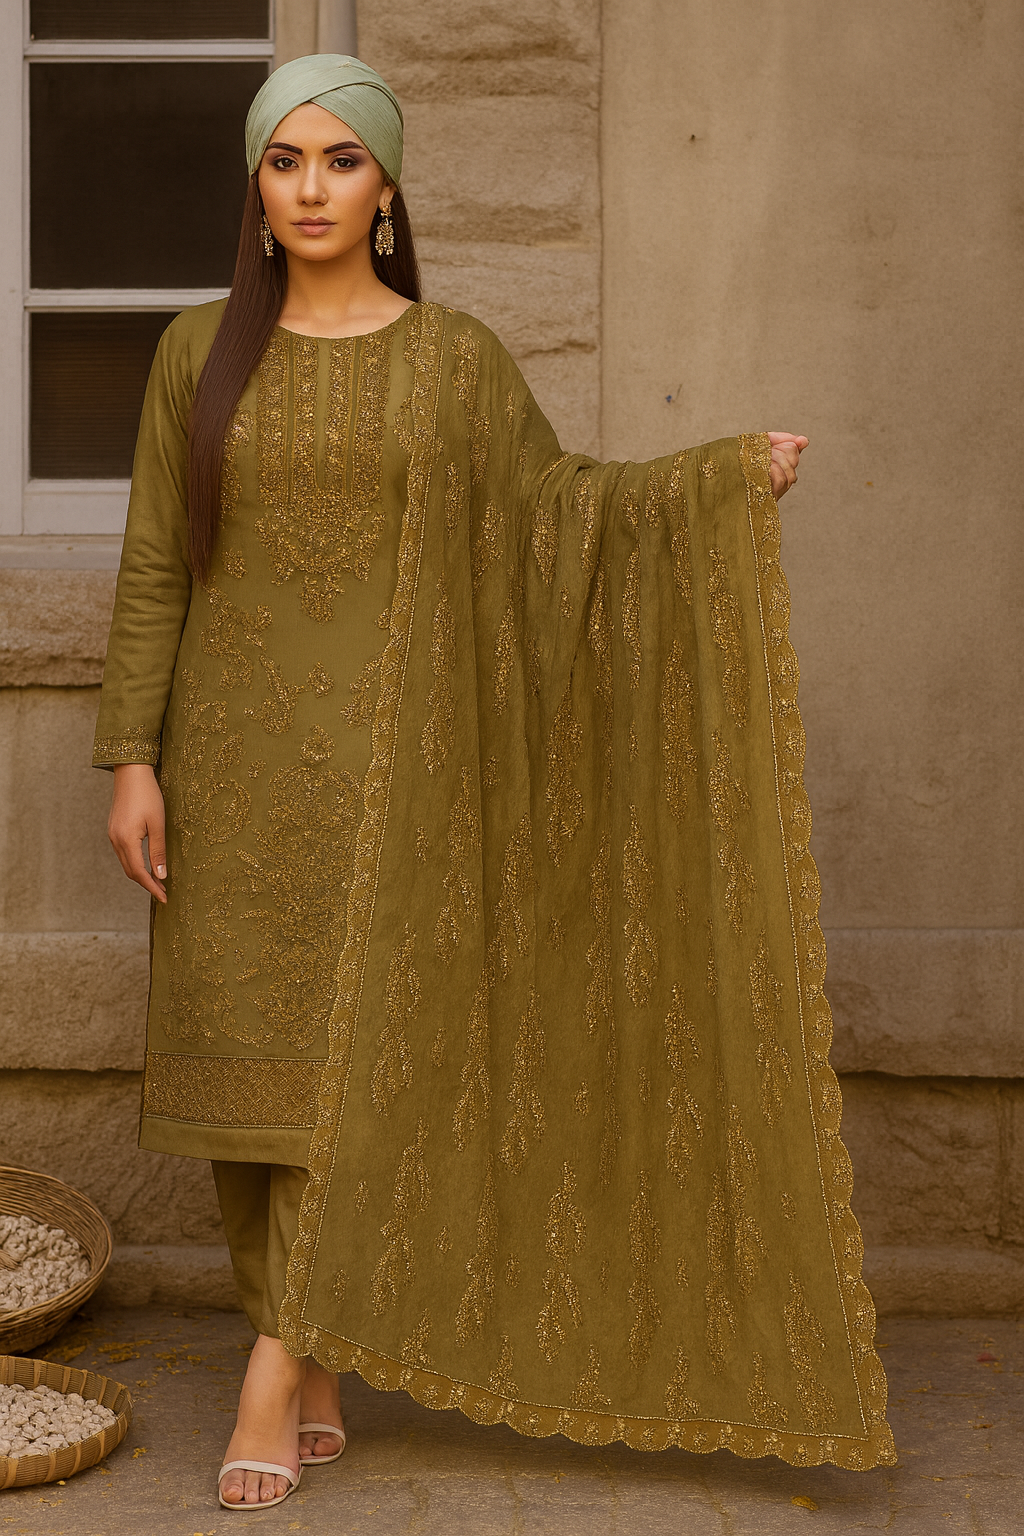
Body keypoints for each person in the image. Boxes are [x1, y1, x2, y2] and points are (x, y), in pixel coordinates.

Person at [94, 54, 894, 1510]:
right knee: (242, 1083)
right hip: (231, 766)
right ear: (257, 186)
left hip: (403, 775)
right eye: (286, 160)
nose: (314, 188)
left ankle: (273, 1365)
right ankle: (312, 1348)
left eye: (343, 160)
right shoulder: (193, 352)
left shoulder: (454, 361)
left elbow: (554, 517)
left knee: (347, 1079)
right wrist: (132, 758)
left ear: (388, 187)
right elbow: (157, 563)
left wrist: (716, 484)